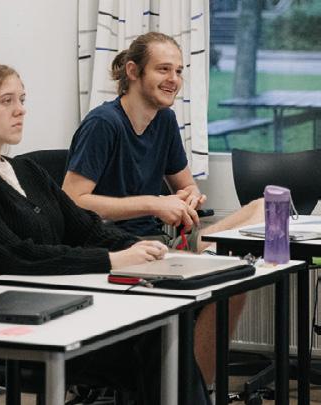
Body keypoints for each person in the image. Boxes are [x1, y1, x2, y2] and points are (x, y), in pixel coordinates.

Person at [0, 62, 207, 404]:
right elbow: (12, 258)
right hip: (14, 320)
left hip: (61, 303)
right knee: (154, 343)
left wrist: (147, 250)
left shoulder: (27, 170)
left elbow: (86, 228)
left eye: (22, 99)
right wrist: (112, 260)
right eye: (6, 101)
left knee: (162, 331)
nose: (20, 110)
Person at [62, 32, 262, 386]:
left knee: (262, 207)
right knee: (231, 287)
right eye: (164, 69)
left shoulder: (165, 120)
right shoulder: (103, 124)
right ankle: (190, 391)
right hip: (118, 249)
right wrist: (154, 203)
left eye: (179, 71)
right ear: (133, 71)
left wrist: (189, 198)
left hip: (159, 245)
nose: (174, 79)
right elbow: (72, 201)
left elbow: (186, 185)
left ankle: (191, 386)